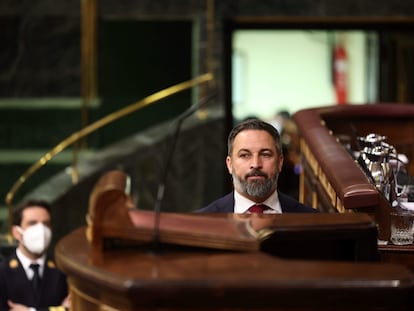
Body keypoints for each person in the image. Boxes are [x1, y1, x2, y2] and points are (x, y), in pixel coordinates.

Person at [196, 118, 316, 213]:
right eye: (245, 155)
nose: (256, 164)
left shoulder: (310, 219)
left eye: (265, 154)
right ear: (230, 164)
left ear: (280, 162)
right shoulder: (202, 221)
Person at [0, 200, 69, 311]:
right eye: (32, 223)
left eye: (46, 224)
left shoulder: (64, 271)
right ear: (16, 232)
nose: (41, 230)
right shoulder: (2, 273)